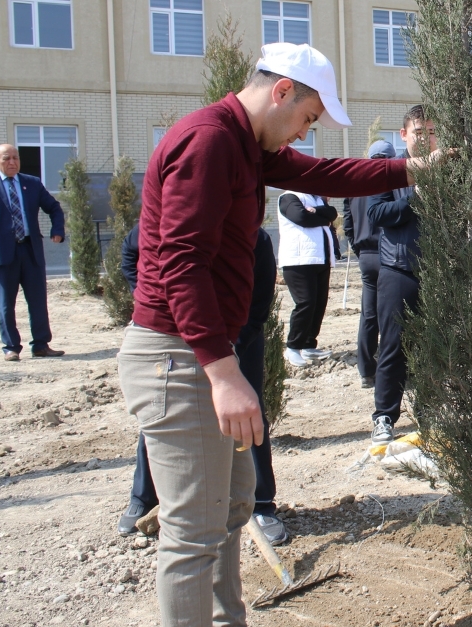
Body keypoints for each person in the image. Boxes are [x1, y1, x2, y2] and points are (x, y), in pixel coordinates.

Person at [118, 42, 439, 624]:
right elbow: (179, 264)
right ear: (282, 91)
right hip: (180, 356)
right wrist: (223, 373)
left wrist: (410, 168)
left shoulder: (247, 142)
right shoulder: (210, 139)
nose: (303, 134)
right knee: (192, 532)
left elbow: (324, 173)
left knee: (233, 504)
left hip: (205, 352)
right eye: (308, 118)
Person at [116, 225, 289, 545]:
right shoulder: (168, 223)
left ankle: (261, 505)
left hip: (238, 339)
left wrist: (232, 347)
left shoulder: (254, 236)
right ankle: (144, 496)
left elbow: (260, 298)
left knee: (248, 416)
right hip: (177, 338)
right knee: (162, 411)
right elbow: (130, 252)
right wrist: (145, 296)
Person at [367, 105, 436, 444]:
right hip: (398, 268)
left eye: (432, 132)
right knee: (393, 346)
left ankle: (430, 411)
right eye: (419, 132)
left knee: (435, 346)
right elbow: (377, 212)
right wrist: (416, 199)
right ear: (404, 135)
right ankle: (384, 416)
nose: (425, 139)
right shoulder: (388, 171)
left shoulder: (448, 170)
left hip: (439, 273)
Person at [0, 144, 66, 361]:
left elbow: (53, 207)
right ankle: (11, 347)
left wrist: (57, 230)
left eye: (16, 157)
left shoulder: (31, 183)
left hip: (30, 249)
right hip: (1, 254)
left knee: (38, 300)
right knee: (6, 303)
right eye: (7, 158)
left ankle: (41, 345)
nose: (12, 162)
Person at [343, 139, 396, 389]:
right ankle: (392, 370)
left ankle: (366, 371)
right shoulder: (391, 181)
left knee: (369, 314)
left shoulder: (356, 184)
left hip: (366, 256)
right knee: (392, 315)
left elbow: (348, 224)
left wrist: (358, 248)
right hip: (389, 253)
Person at [278, 190, 339, 367]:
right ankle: (293, 347)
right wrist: (322, 217)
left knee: (319, 303)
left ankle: (308, 345)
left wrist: (317, 212)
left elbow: (332, 213)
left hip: (321, 259)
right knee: (306, 303)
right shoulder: (288, 197)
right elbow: (301, 217)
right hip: (298, 261)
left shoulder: (316, 198)